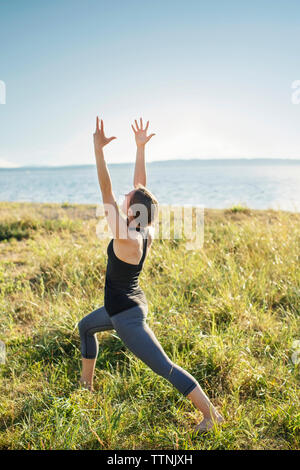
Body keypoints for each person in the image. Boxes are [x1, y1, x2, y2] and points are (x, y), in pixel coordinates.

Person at [78, 116, 224, 432]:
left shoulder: (125, 235)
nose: (123, 198)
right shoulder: (144, 228)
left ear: (131, 211)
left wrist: (98, 151)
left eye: (126, 201)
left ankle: (212, 416)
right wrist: (140, 148)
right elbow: (139, 188)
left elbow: (106, 190)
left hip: (127, 317)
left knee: (165, 367)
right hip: (125, 304)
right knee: (85, 327)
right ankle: (85, 387)